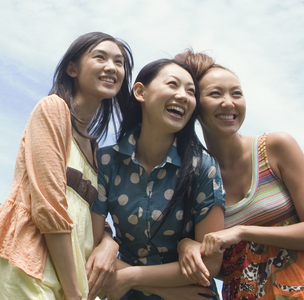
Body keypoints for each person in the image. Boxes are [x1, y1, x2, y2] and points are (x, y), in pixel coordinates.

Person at [174, 49, 304, 299]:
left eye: (237, 93)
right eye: (215, 94)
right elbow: (219, 266)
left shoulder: (276, 147)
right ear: (195, 106)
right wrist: (186, 245)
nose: (229, 102)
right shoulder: (197, 178)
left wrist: (243, 231)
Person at [0, 32, 133, 300]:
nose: (111, 67)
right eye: (100, 57)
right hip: (33, 269)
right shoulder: (53, 109)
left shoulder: (95, 149)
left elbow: (93, 220)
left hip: (72, 280)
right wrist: (73, 292)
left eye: (119, 62)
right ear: (72, 68)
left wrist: (109, 242)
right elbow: (48, 204)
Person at [89, 59, 226, 300]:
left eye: (191, 92)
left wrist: (131, 278)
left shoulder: (203, 166)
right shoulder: (107, 161)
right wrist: (160, 289)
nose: (183, 96)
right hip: (151, 293)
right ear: (140, 92)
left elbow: (209, 264)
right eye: (173, 84)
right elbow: (90, 244)